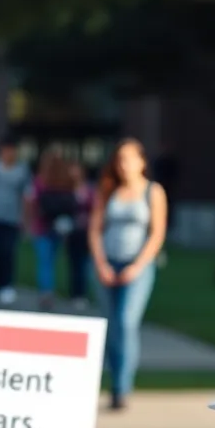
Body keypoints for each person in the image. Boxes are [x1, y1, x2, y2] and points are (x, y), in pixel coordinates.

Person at [88, 138, 168, 410]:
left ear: (142, 162)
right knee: (111, 326)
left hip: (138, 267)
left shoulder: (153, 191)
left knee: (126, 322)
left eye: (130, 158)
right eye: (120, 159)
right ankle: (113, 383)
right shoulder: (108, 189)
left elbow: (156, 233)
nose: (124, 165)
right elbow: (95, 229)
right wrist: (101, 264)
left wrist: (137, 266)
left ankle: (122, 387)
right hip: (108, 263)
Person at [0, 137, 31, 306]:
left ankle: (7, 285)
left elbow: (26, 196)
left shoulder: (22, 170)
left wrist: (25, 218)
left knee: (9, 252)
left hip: (12, 217)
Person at [26, 148, 77, 310]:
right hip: (59, 226)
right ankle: (50, 291)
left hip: (42, 226)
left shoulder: (40, 181)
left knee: (44, 262)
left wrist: (28, 223)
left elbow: (32, 203)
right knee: (52, 261)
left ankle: (46, 292)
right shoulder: (66, 180)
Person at [65, 161, 95, 310]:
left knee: (85, 265)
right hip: (71, 232)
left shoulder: (89, 190)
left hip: (86, 232)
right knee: (74, 264)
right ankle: (74, 293)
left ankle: (82, 294)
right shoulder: (66, 189)